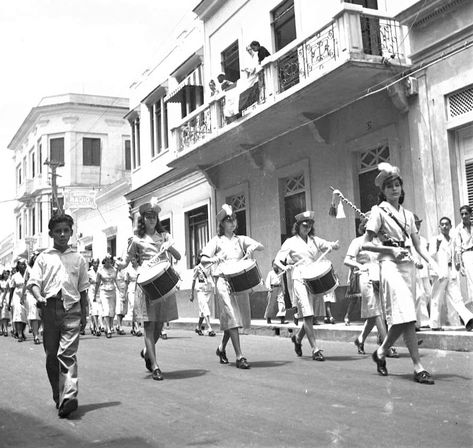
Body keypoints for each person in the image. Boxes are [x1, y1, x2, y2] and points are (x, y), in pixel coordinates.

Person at [362, 163, 442, 384]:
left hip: (407, 265)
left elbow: (418, 245)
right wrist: (390, 249)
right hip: (389, 265)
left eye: (397, 185)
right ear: (383, 191)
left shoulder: (407, 214)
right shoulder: (379, 211)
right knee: (406, 312)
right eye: (389, 186)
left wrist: (432, 264)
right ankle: (418, 366)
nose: (394, 189)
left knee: (408, 316)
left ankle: (381, 352)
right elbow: (366, 245)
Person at [27, 213, 89, 418]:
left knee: (68, 354)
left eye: (66, 231)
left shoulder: (78, 259)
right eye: (58, 231)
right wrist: (39, 297)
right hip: (50, 308)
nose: (62, 234)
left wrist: (85, 315)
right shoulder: (44, 257)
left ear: (71, 232)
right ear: (51, 233)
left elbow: (83, 290)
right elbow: (34, 283)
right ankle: (58, 395)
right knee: (52, 356)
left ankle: (69, 396)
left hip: (72, 309)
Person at [121, 200, 181, 381]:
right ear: (143, 219)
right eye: (148, 216)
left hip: (163, 281)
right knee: (149, 324)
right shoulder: (136, 239)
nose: (152, 219)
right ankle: (155, 365)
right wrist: (120, 264)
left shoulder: (164, 236)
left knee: (160, 324)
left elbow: (178, 256)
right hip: (146, 282)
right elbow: (126, 260)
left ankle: (147, 351)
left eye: (154, 216)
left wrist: (169, 246)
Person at [200, 204, 264, 369]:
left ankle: (221, 348)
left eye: (234, 220)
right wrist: (214, 259)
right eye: (229, 221)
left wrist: (251, 248)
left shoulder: (240, 239)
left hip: (239, 281)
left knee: (233, 318)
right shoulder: (216, 241)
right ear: (222, 224)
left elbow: (260, 246)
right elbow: (203, 259)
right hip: (222, 280)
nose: (233, 223)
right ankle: (239, 356)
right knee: (232, 316)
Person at [275, 211, 339, 361]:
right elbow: (278, 259)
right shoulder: (290, 242)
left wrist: (334, 245)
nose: (307, 228)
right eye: (304, 225)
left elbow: (330, 245)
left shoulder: (315, 240)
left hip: (313, 277)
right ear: (297, 226)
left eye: (310, 225)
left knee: (312, 314)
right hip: (298, 277)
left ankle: (298, 339)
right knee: (308, 313)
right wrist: (284, 267)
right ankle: (315, 349)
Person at [344, 215, 388, 355]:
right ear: (364, 226)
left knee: (374, 313)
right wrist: (358, 265)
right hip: (365, 275)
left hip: (379, 277)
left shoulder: (379, 243)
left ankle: (361, 339)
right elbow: (347, 260)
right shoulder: (358, 241)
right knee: (375, 311)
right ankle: (387, 346)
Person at [430, 217, 473, 331]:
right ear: (439, 227)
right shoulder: (436, 239)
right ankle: (434, 324)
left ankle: (469, 319)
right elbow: (431, 256)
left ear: (450, 226)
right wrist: (437, 247)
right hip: (440, 272)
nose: (444, 226)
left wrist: (457, 267)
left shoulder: (452, 239)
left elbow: (454, 255)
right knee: (437, 298)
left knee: (457, 297)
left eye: (447, 224)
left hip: (450, 271)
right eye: (442, 225)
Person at [413, 215, 432, 330]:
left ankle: (426, 319)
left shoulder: (423, 240)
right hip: (415, 271)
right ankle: (422, 321)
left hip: (425, 271)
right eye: (415, 224)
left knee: (428, 294)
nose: (417, 226)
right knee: (419, 295)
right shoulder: (410, 240)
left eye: (418, 223)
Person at [190, 254, 215, 336]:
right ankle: (210, 328)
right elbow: (193, 280)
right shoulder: (197, 268)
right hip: (200, 291)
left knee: (202, 311)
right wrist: (192, 294)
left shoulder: (210, 266)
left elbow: (213, 276)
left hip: (208, 290)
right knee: (205, 309)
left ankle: (198, 327)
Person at [94, 255, 118, 339]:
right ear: (104, 261)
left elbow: (116, 281)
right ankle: (108, 329)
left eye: (110, 261)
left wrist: (121, 292)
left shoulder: (114, 270)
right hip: (104, 291)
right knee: (106, 309)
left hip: (112, 290)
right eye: (107, 261)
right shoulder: (100, 271)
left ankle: (110, 326)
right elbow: (97, 283)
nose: (108, 262)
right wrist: (95, 295)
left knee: (112, 310)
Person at [454, 205, 473, 306]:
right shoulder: (458, 229)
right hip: (467, 254)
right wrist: (460, 265)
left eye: (466, 213)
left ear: (470, 214)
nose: (464, 216)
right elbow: (458, 248)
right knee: (472, 280)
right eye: (462, 214)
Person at [8, 259, 28, 342]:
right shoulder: (14, 276)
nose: (22, 266)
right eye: (20, 265)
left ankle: (22, 331)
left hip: (27, 295)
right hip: (17, 296)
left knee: (25, 315)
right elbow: (11, 290)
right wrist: (9, 302)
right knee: (18, 314)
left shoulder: (28, 274)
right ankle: (19, 334)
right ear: (18, 266)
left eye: (23, 264)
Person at [24, 252, 42, 344]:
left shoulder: (43, 268)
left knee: (40, 316)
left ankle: (36, 330)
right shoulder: (28, 269)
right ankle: (35, 336)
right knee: (34, 314)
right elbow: (25, 282)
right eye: (35, 257)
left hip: (41, 293)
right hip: (31, 293)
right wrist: (23, 295)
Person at [264, 260, 287, 325]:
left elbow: (282, 282)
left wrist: (284, 290)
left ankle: (282, 318)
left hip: (279, 288)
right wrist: (269, 288)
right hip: (272, 288)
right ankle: (268, 317)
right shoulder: (270, 273)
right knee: (270, 304)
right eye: (274, 265)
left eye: (277, 265)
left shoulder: (281, 272)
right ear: (272, 266)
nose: (276, 266)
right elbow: (267, 282)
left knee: (282, 302)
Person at [125, 256, 142, 336]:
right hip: (131, 289)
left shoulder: (141, 268)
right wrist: (125, 293)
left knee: (138, 308)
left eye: (133, 260)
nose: (132, 262)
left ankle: (133, 327)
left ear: (137, 260)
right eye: (131, 260)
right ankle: (137, 328)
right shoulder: (128, 270)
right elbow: (126, 281)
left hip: (139, 288)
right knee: (132, 306)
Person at [87, 259, 102, 336]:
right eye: (94, 263)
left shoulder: (100, 271)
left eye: (97, 263)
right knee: (93, 309)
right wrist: (92, 281)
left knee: (99, 310)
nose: (96, 264)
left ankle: (93, 325)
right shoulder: (89, 272)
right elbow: (87, 281)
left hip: (99, 291)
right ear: (92, 263)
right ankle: (97, 328)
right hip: (92, 291)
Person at [115, 258, 128, 335]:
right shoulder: (115, 273)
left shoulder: (125, 271)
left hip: (124, 290)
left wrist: (124, 291)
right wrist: (119, 290)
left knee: (124, 310)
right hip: (118, 290)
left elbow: (126, 281)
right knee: (119, 309)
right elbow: (115, 280)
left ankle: (118, 325)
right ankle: (119, 326)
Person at [0, 270, 11, 336]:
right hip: (1, 296)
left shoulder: (9, 281)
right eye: (5, 274)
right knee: (0, 313)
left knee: (5, 314)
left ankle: (5, 329)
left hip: (7, 296)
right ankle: (1, 329)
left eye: (7, 274)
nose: (6, 275)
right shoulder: (0, 282)